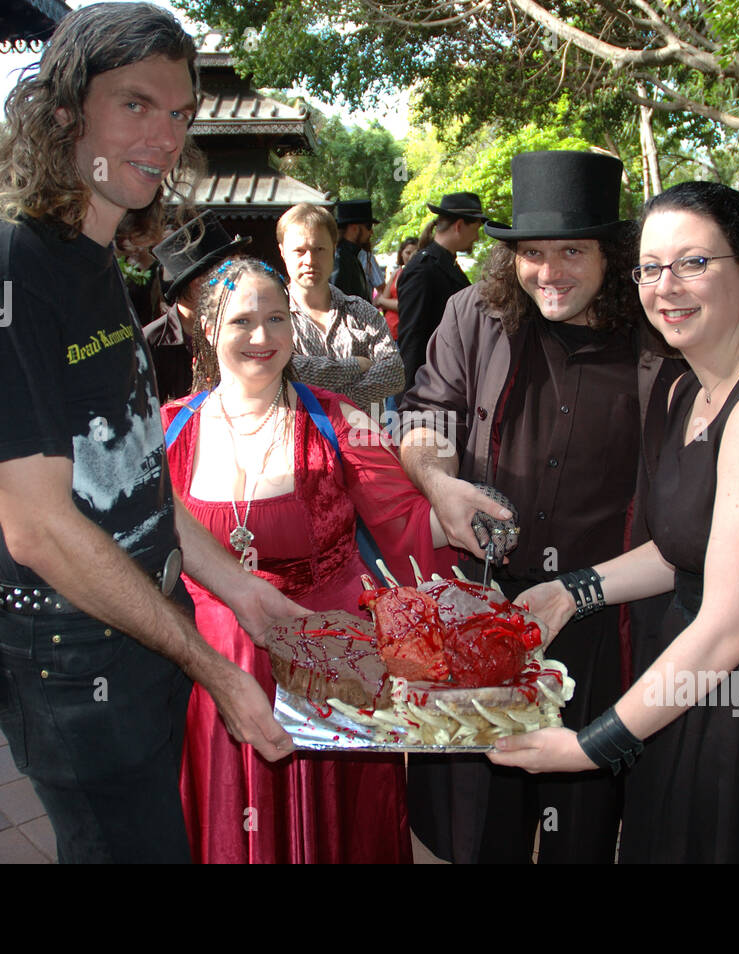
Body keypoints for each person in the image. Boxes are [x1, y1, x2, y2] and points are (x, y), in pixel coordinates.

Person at [0, 3, 300, 864]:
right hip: (69, 658)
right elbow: (40, 529)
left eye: (179, 115)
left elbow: (138, 482)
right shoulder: (1, 262)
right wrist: (213, 665)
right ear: (63, 110)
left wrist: (238, 591)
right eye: (136, 104)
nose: (165, 136)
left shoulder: (98, 260)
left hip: (142, 629)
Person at [493, 181, 739, 864]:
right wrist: (572, 590)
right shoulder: (686, 388)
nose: (666, 286)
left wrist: (592, 744)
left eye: (694, 263)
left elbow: (731, 621)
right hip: (691, 679)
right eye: (650, 267)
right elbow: (685, 548)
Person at [399, 151, 683, 863]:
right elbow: (422, 417)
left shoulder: (658, 343)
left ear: (612, 255)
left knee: (580, 821)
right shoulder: (473, 317)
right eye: (531, 253)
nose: (549, 271)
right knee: (472, 815)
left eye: (571, 251)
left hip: (599, 614)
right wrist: (439, 482)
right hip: (482, 609)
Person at [161, 255, 456, 863]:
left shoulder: (335, 419)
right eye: (243, 320)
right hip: (217, 674)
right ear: (210, 329)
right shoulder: (167, 431)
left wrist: (460, 513)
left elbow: (406, 521)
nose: (263, 337)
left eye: (277, 318)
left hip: (331, 670)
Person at [277, 203, 403, 415]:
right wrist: (355, 365)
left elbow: (394, 374)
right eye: (300, 251)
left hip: (361, 442)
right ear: (282, 252)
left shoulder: (362, 313)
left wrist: (333, 402)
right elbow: (287, 371)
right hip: (300, 441)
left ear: (334, 248)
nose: (309, 260)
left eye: (319, 249)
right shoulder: (272, 318)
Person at [146, 209, 250, 401]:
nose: (235, 281)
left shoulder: (245, 329)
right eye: (226, 273)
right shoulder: (151, 344)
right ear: (197, 283)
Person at [396, 193, 486, 391]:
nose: (478, 237)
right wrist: (410, 401)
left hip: (449, 380)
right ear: (459, 226)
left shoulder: (446, 263)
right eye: (476, 228)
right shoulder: (423, 269)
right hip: (429, 387)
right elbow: (412, 338)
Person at [330, 199, 375, 301]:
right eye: (368, 226)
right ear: (354, 228)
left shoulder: (349, 257)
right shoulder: (340, 259)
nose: (371, 232)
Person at [376, 236, 418, 340]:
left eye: (415, 253)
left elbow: (405, 305)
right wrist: (384, 301)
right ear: (401, 254)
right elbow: (382, 302)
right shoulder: (397, 273)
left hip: (404, 333)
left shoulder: (418, 277)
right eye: (407, 253)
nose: (411, 256)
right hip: (388, 331)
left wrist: (383, 300)